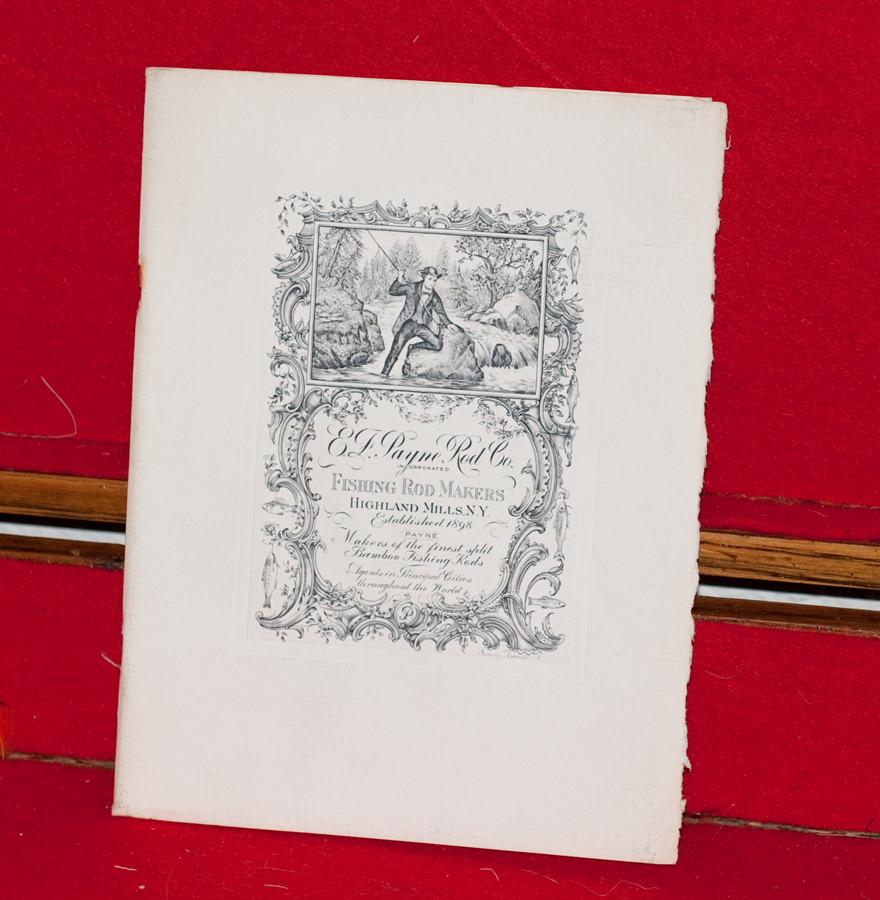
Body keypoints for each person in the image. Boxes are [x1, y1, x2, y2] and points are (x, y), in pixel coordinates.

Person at [380, 266, 452, 376]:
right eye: (430, 279)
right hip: (407, 324)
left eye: (434, 280)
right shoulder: (412, 287)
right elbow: (393, 291)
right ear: (424, 277)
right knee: (395, 350)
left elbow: (441, 313)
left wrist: (449, 324)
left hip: (422, 326)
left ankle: (413, 347)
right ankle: (384, 375)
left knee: (437, 345)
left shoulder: (434, 297)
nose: (432, 283)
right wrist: (399, 278)